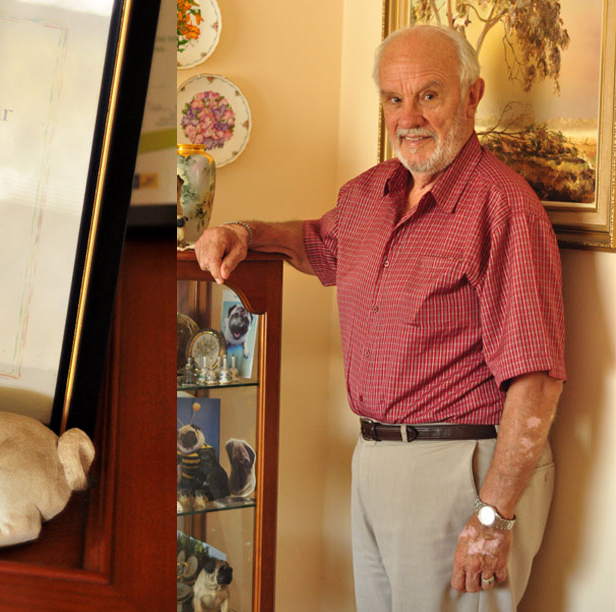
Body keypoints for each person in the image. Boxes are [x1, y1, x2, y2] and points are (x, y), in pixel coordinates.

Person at [194, 24, 565, 612]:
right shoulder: (370, 193)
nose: (408, 116)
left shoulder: (505, 207)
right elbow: (319, 243)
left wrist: (493, 515)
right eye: (394, 98)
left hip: (460, 469)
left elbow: (537, 380)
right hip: (373, 460)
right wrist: (245, 231)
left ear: (472, 96)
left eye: (429, 95)